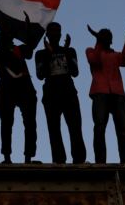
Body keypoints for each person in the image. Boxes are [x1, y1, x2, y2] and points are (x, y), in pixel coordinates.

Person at [0, 16, 39, 164]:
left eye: (9, 35)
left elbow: (29, 50)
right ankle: (7, 157)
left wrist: (28, 29)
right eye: (4, 35)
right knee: (6, 123)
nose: (8, 37)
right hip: (7, 90)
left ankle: (28, 157)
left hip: (25, 89)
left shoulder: (19, 49)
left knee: (30, 123)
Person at [34, 21, 86, 164]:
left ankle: (79, 159)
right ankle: (58, 160)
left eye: (58, 31)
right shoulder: (40, 54)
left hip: (69, 92)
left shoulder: (70, 51)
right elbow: (40, 74)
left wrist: (65, 52)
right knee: (54, 129)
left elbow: (75, 72)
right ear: (48, 34)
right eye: (53, 31)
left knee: (75, 127)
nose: (56, 34)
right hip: (51, 94)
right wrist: (49, 54)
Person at [86, 24, 125, 164]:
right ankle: (100, 162)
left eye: (108, 38)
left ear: (111, 40)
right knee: (99, 128)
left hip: (117, 94)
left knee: (122, 130)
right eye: (103, 37)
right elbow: (94, 60)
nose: (106, 40)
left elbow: (124, 61)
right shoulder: (91, 51)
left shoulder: (115, 55)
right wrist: (98, 42)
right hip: (100, 93)